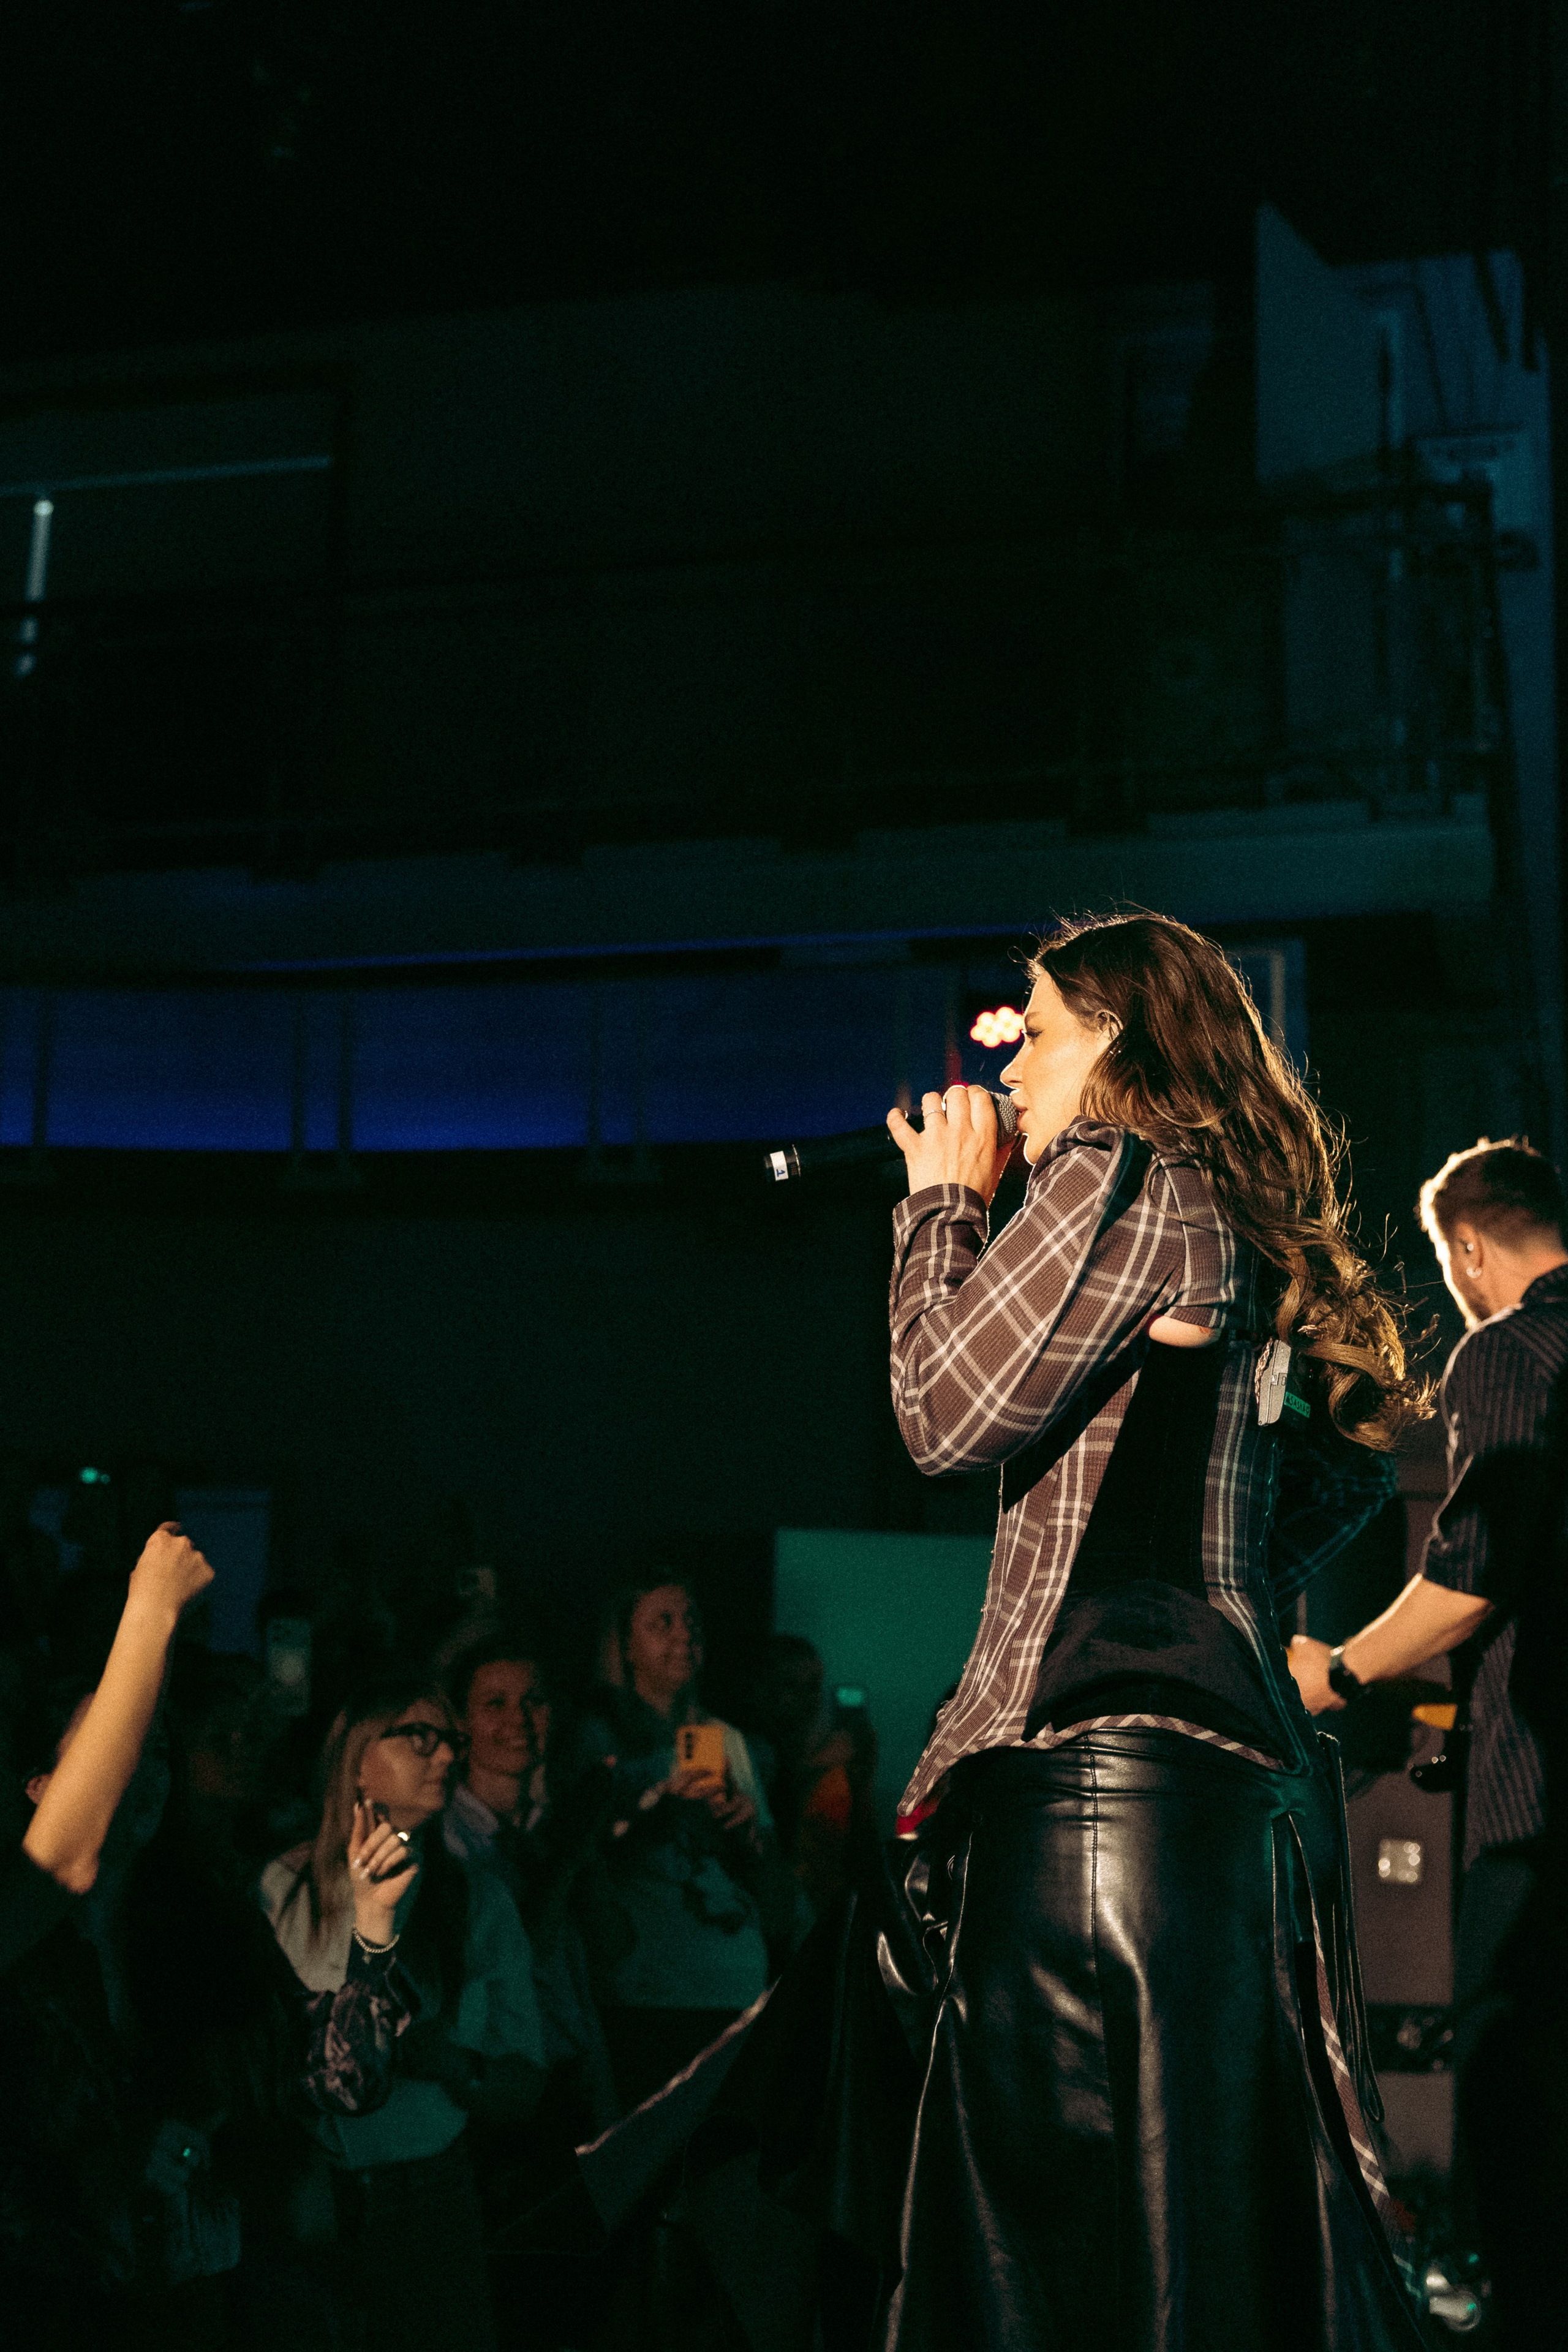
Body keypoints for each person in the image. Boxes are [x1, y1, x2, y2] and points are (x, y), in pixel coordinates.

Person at [881, 911, 1427, 2350]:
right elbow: (1352, 1463)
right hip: (1217, 1805)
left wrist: (940, 1206)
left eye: (1038, 1028)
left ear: (1114, 1041)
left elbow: (941, 1418)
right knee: (1191, 2247)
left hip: (1090, 1795)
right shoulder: (1218, 1204)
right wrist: (1218, 1574)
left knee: (1043, 2263)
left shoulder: (1109, 1171)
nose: (1011, 1063)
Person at [1, 1527, 415, 2352]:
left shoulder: (204, 1917)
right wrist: (150, 1610)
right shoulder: (29, 1951)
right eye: (114, 1750)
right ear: (45, 1784)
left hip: (207, 2295)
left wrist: (373, 1937)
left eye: (154, 1748)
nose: (140, 1770)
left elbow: (336, 2084)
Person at [1287, 1136, 1568, 2346]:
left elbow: (1475, 1568)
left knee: (1523, 2121)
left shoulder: (1506, 1349)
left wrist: (1335, 1669)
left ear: (1464, 1249)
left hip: (1539, 1817)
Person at [262, 1670, 547, 2352]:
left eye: (449, 1740)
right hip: (307, 2189)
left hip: (428, 2193)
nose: (447, 1755)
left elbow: (527, 2079)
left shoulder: (476, 1902)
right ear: (356, 1757)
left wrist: (454, 2064)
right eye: (419, 1738)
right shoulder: (283, 1885)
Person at [576, 1576, 796, 2112]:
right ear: (625, 1646)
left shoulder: (728, 1741)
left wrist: (747, 1832)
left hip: (734, 1984)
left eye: (692, 1620)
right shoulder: (596, 1740)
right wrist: (654, 1809)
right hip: (652, 1990)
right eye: (662, 1622)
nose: (684, 1634)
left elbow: (770, 1886)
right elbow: (580, 1860)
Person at [442, 1627, 620, 2168]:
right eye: (494, 1703)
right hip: (494, 2091)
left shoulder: (552, 1826)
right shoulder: (449, 1835)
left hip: (573, 2082)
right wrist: (571, 1852)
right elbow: (520, 1950)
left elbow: (613, 1946)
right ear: (461, 1723)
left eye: (533, 1701)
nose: (518, 1719)